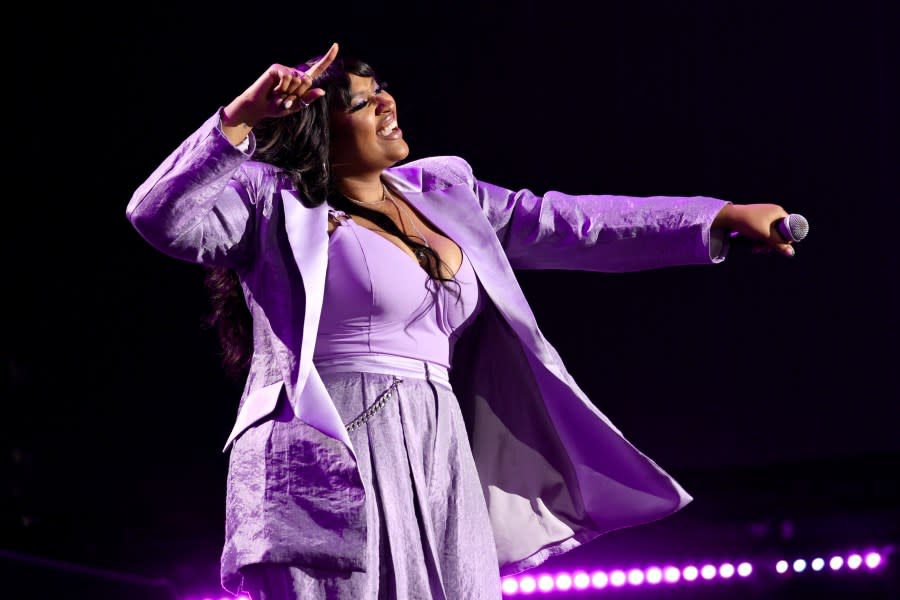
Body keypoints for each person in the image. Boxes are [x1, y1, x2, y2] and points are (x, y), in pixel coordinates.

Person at [126, 42, 799, 600]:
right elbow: (157, 216)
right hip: (330, 445)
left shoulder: (444, 193)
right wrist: (242, 116)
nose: (387, 102)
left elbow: (575, 223)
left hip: (437, 439)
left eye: (381, 89)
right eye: (362, 102)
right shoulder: (269, 204)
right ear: (318, 131)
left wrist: (714, 219)